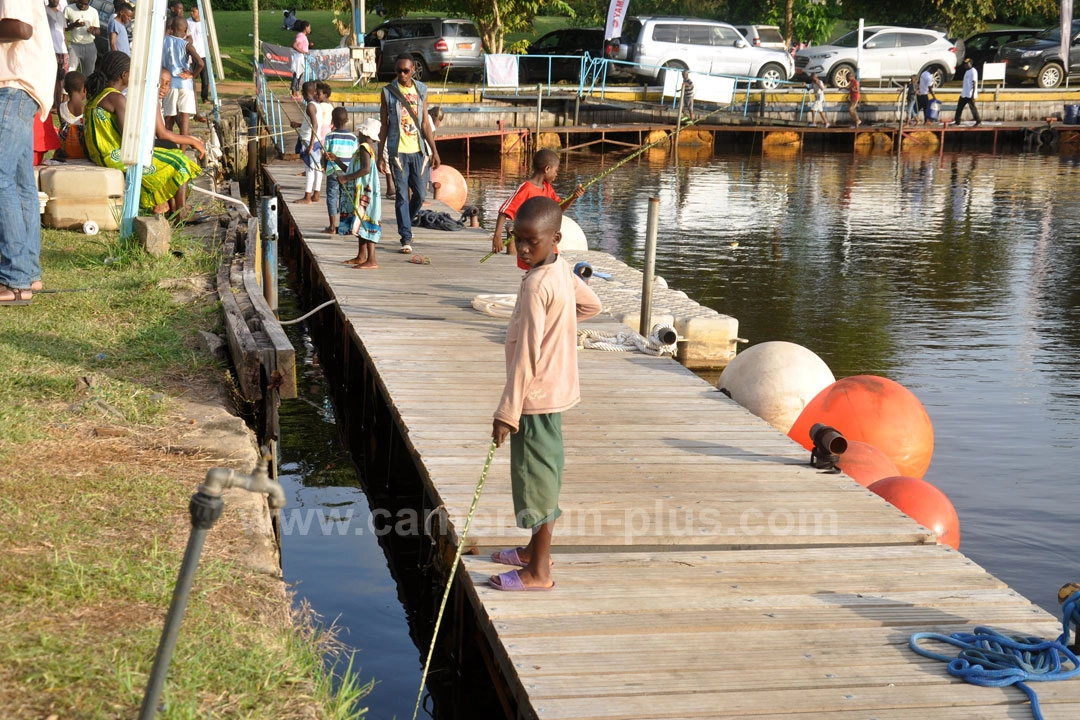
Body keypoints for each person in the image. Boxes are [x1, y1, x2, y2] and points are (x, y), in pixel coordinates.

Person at [488, 196, 603, 592]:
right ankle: (530, 552)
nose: (521, 248)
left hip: (534, 398)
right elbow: (592, 303)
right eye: (517, 240)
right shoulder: (558, 268)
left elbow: (527, 354)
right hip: (555, 391)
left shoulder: (538, 283)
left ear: (555, 238)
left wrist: (508, 410)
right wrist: (562, 324)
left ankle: (538, 571)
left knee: (536, 481)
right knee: (544, 472)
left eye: (529, 242)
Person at [84, 51, 203, 217]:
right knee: (179, 161)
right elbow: (130, 136)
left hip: (101, 155)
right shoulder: (116, 99)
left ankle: (173, 209)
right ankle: (181, 212)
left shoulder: (98, 96)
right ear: (124, 75)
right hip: (116, 157)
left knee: (169, 154)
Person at [0, 0, 57, 305]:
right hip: (20, 87)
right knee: (22, 184)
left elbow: (20, 28)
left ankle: (15, 279)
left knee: (1, 178)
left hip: (13, 86)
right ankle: (28, 274)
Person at [378, 53, 440, 255]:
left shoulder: (421, 90)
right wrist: (381, 154)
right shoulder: (388, 92)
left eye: (406, 70)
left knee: (421, 194)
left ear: (413, 70)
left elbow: (425, 124)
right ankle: (405, 236)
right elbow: (384, 125)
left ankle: (406, 222)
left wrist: (434, 151)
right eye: (398, 71)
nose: (402, 74)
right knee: (402, 196)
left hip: (419, 152)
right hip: (398, 152)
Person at [490, 148, 584, 256]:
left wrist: (573, 197)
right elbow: (504, 211)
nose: (556, 175)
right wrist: (497, 236)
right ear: (547, 169)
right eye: (556, 171)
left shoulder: (547, 188)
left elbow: (558, 208)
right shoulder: (526, 189)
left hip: (546, 243)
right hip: (530, 246)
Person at [338, 117, 382, 269]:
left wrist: (346, 178)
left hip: (366, 192)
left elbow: (365, 169)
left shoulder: (364, 147)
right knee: (360, 219)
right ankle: (361, 256)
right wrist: (337, 161)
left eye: (360, 132)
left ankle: (371, 259)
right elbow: (353, 169)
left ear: (365, 134)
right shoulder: (365, 148)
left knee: (366, 220)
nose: (358, 135)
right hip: (362, 189)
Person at [161, 16, 202, 138]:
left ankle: (168, 146)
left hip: (169, 84)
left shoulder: (163, 41)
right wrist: (192, 75)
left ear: (171, 29)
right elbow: (200, 63)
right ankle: (183, 151)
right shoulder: (186, 45)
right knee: (185, 119)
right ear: (185, 30)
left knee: (169, 118)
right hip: (185, 84)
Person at [322, 106, 358, 234]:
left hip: (333, 171)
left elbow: (325, 154)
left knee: (332, 197)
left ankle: (332, 226)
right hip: (347, 172)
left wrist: (323, 166)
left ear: (333, 121)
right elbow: (354, 156)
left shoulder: (330, 136)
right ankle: (345, 226)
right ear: (347, 120)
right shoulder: (353, 138)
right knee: (346, 198)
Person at [290, 80, 323, 204]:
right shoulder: (316, 104)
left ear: (303, 93)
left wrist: (310, 145)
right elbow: (309, 123)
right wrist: (298, 125)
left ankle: (307, 197)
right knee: (317, 167)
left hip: (309, 141)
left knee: (309, 168)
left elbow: (315, 124)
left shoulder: (310, 106)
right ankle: (316, 194)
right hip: (316, 139)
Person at [55, 70, 87, 160]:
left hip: (64, 154)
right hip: (83, 155)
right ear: (84, 89)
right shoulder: (87, 110)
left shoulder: (60, 108)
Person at [64, 0, 99, 75]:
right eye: (80, 3)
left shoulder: (94, 11)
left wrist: (93, 31)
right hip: (74, 45)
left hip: (90, 46)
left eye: (85, 4)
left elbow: (98, 31)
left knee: (89, 74)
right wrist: (74, 25)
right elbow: (63, 27)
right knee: (70, 72)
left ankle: (86, 87)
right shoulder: (68, 9)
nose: (82, 6)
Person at [45, 0, 68, 111]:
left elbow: (63, 32)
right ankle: (48, 102)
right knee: (49, 76)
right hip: (50, 48)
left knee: (60, 78)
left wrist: (66, 48)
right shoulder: (44, 11)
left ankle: (57, 104)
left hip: (62, 50)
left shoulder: (61, 14)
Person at [188, 5, 210, 104]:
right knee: (191, 76)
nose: (191, 13)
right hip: (192, 55)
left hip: (203, 54)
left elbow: (209, 37)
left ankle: (204, 98)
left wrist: (207, 49)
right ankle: (190, 97)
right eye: (191, 11)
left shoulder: (205, 23)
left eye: (194, 11)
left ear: (199, 13)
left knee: (205, 78)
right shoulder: (187, 22)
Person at [955, 58, 982, 127]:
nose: (965, 65)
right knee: (959, 107)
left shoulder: (973, 71)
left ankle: (978, 121)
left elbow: (974, 83)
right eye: (965, 64)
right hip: (964, 93)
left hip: (970, 94)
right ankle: (957, 121)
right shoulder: (967, 71)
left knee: (972, 108)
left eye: (967, 64)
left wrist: (973, 95)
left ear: (970, 64)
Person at [290, 19, 311, 99]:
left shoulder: (304, 37)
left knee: (299, 74)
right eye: (309, 27)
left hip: (302, 57)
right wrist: (303, 52)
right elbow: (294, 45)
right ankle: (294, 93)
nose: (310, 29)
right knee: (297, 74)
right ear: (305, 28)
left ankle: (296, 92)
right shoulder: (301, 36)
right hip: (299, 57)